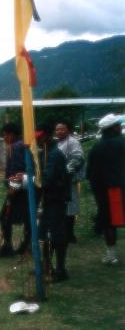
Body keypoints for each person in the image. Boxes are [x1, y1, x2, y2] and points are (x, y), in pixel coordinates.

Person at [33, 124, 71, 282]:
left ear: (47, 136)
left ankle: (60, 270)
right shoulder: (45, 153)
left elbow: (47, 179)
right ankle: (47, 266)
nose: (37, 139)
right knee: (44, 235)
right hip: (48, 200)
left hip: (55, 199)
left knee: (57, 236)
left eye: (40, 136)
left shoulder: (55, 154)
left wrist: (28, 180)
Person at [87, 113, 125, 265]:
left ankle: (111, 255)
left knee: (109, 223)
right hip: (121, 187)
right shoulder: (122, 143)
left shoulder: (96, 148)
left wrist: (96, 192)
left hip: (106, 191)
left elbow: (91, 173)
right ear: (114, 128)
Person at [0, 123, 31, 257]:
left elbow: (18, 169)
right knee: (27, 217)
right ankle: (26, 245)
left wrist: (13, 187)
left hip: (18, 189)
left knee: (5, 217)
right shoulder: (21, 145)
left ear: (11, 134)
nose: (3, 138)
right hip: (26, 188)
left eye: (4, 135)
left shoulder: (15, 147)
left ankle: (8, 247)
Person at [55, 121, 85, 243]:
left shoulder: (73, 142)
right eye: (57, 129)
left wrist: (66, 171)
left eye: (62, 129)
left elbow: (78, 157)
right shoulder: (57, 142)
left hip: (69, 180)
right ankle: (64, 233)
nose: (59, 131)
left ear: (68, 130)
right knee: (62, 208)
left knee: (70, 208)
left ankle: (70, 234)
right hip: (59, 182)